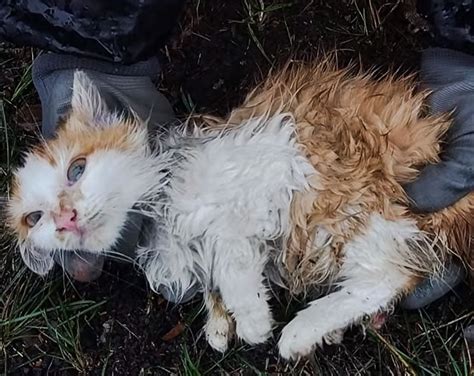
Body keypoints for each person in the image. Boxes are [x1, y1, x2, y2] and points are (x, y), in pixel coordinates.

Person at [0, 0, 472, 308]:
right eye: (35, 219)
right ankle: (93, 42)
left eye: (77, 170)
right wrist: (83, 39)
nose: (61, 217)